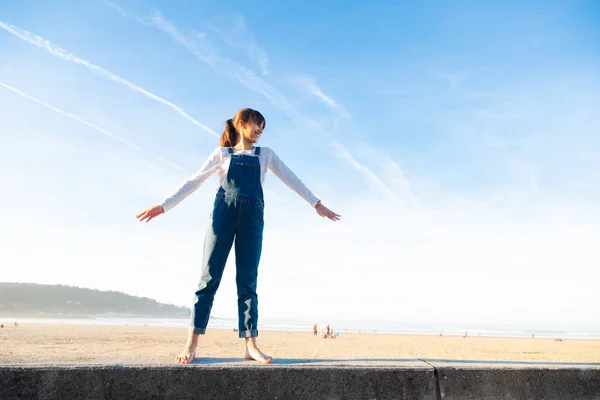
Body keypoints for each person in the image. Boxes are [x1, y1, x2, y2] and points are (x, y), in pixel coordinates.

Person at [137, 108, 341, 364]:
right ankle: (191, 343)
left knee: (248, 282)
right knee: (208, 280)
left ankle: (250, 346)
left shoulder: (265, 155)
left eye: (263, 128)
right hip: (222, 220)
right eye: (257, 125)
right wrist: (164, 206)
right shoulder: (222, 154)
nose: (260, 131)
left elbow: (292, 179)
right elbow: (193, 181)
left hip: (252, 223)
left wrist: (316, 204)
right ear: (242, 124)